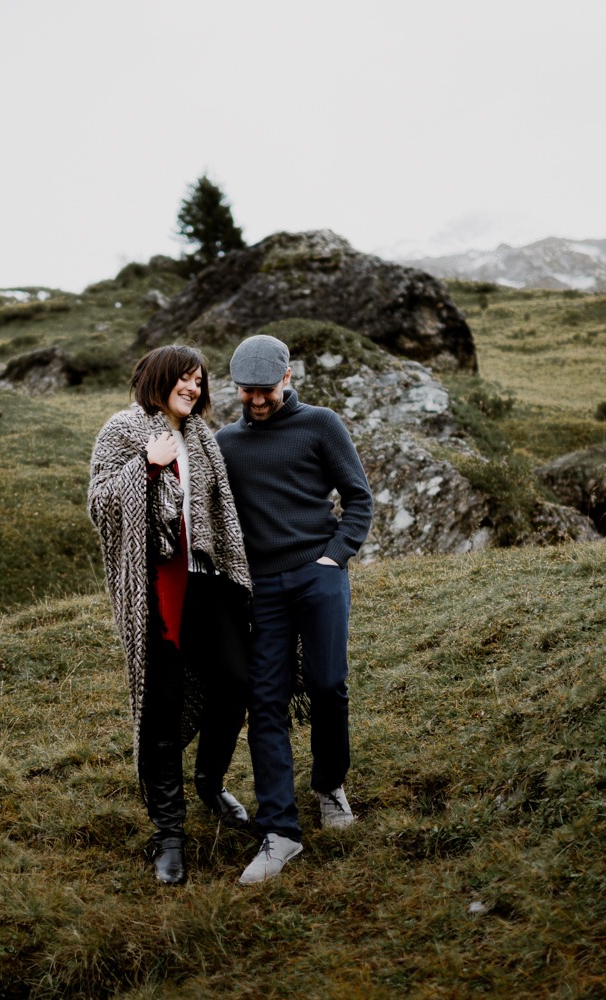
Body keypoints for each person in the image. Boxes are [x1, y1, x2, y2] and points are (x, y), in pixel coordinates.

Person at [87, 344, 255, 885]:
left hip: (207, 578)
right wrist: (147, 467)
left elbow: (219, 509)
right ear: (159, 379)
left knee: (235, 682)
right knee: (160, 707)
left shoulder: (203, 438)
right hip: (156, 584)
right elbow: (100, 505)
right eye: (185, 379)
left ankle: (209, 782)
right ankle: (169, 833)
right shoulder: (122, 430)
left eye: (200, 382)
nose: (194, 389)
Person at [215, 333, 374, 885]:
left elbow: (358, 498)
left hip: (318, 574)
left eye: (265, 390)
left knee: (329, 684)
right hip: (260, 587)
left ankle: (329, 784)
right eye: (245, 391)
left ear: (287, 378)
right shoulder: (226, 444)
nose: (255, 400)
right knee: (266, 701)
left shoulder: (321, 425)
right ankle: (280, 832)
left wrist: (334, 557)